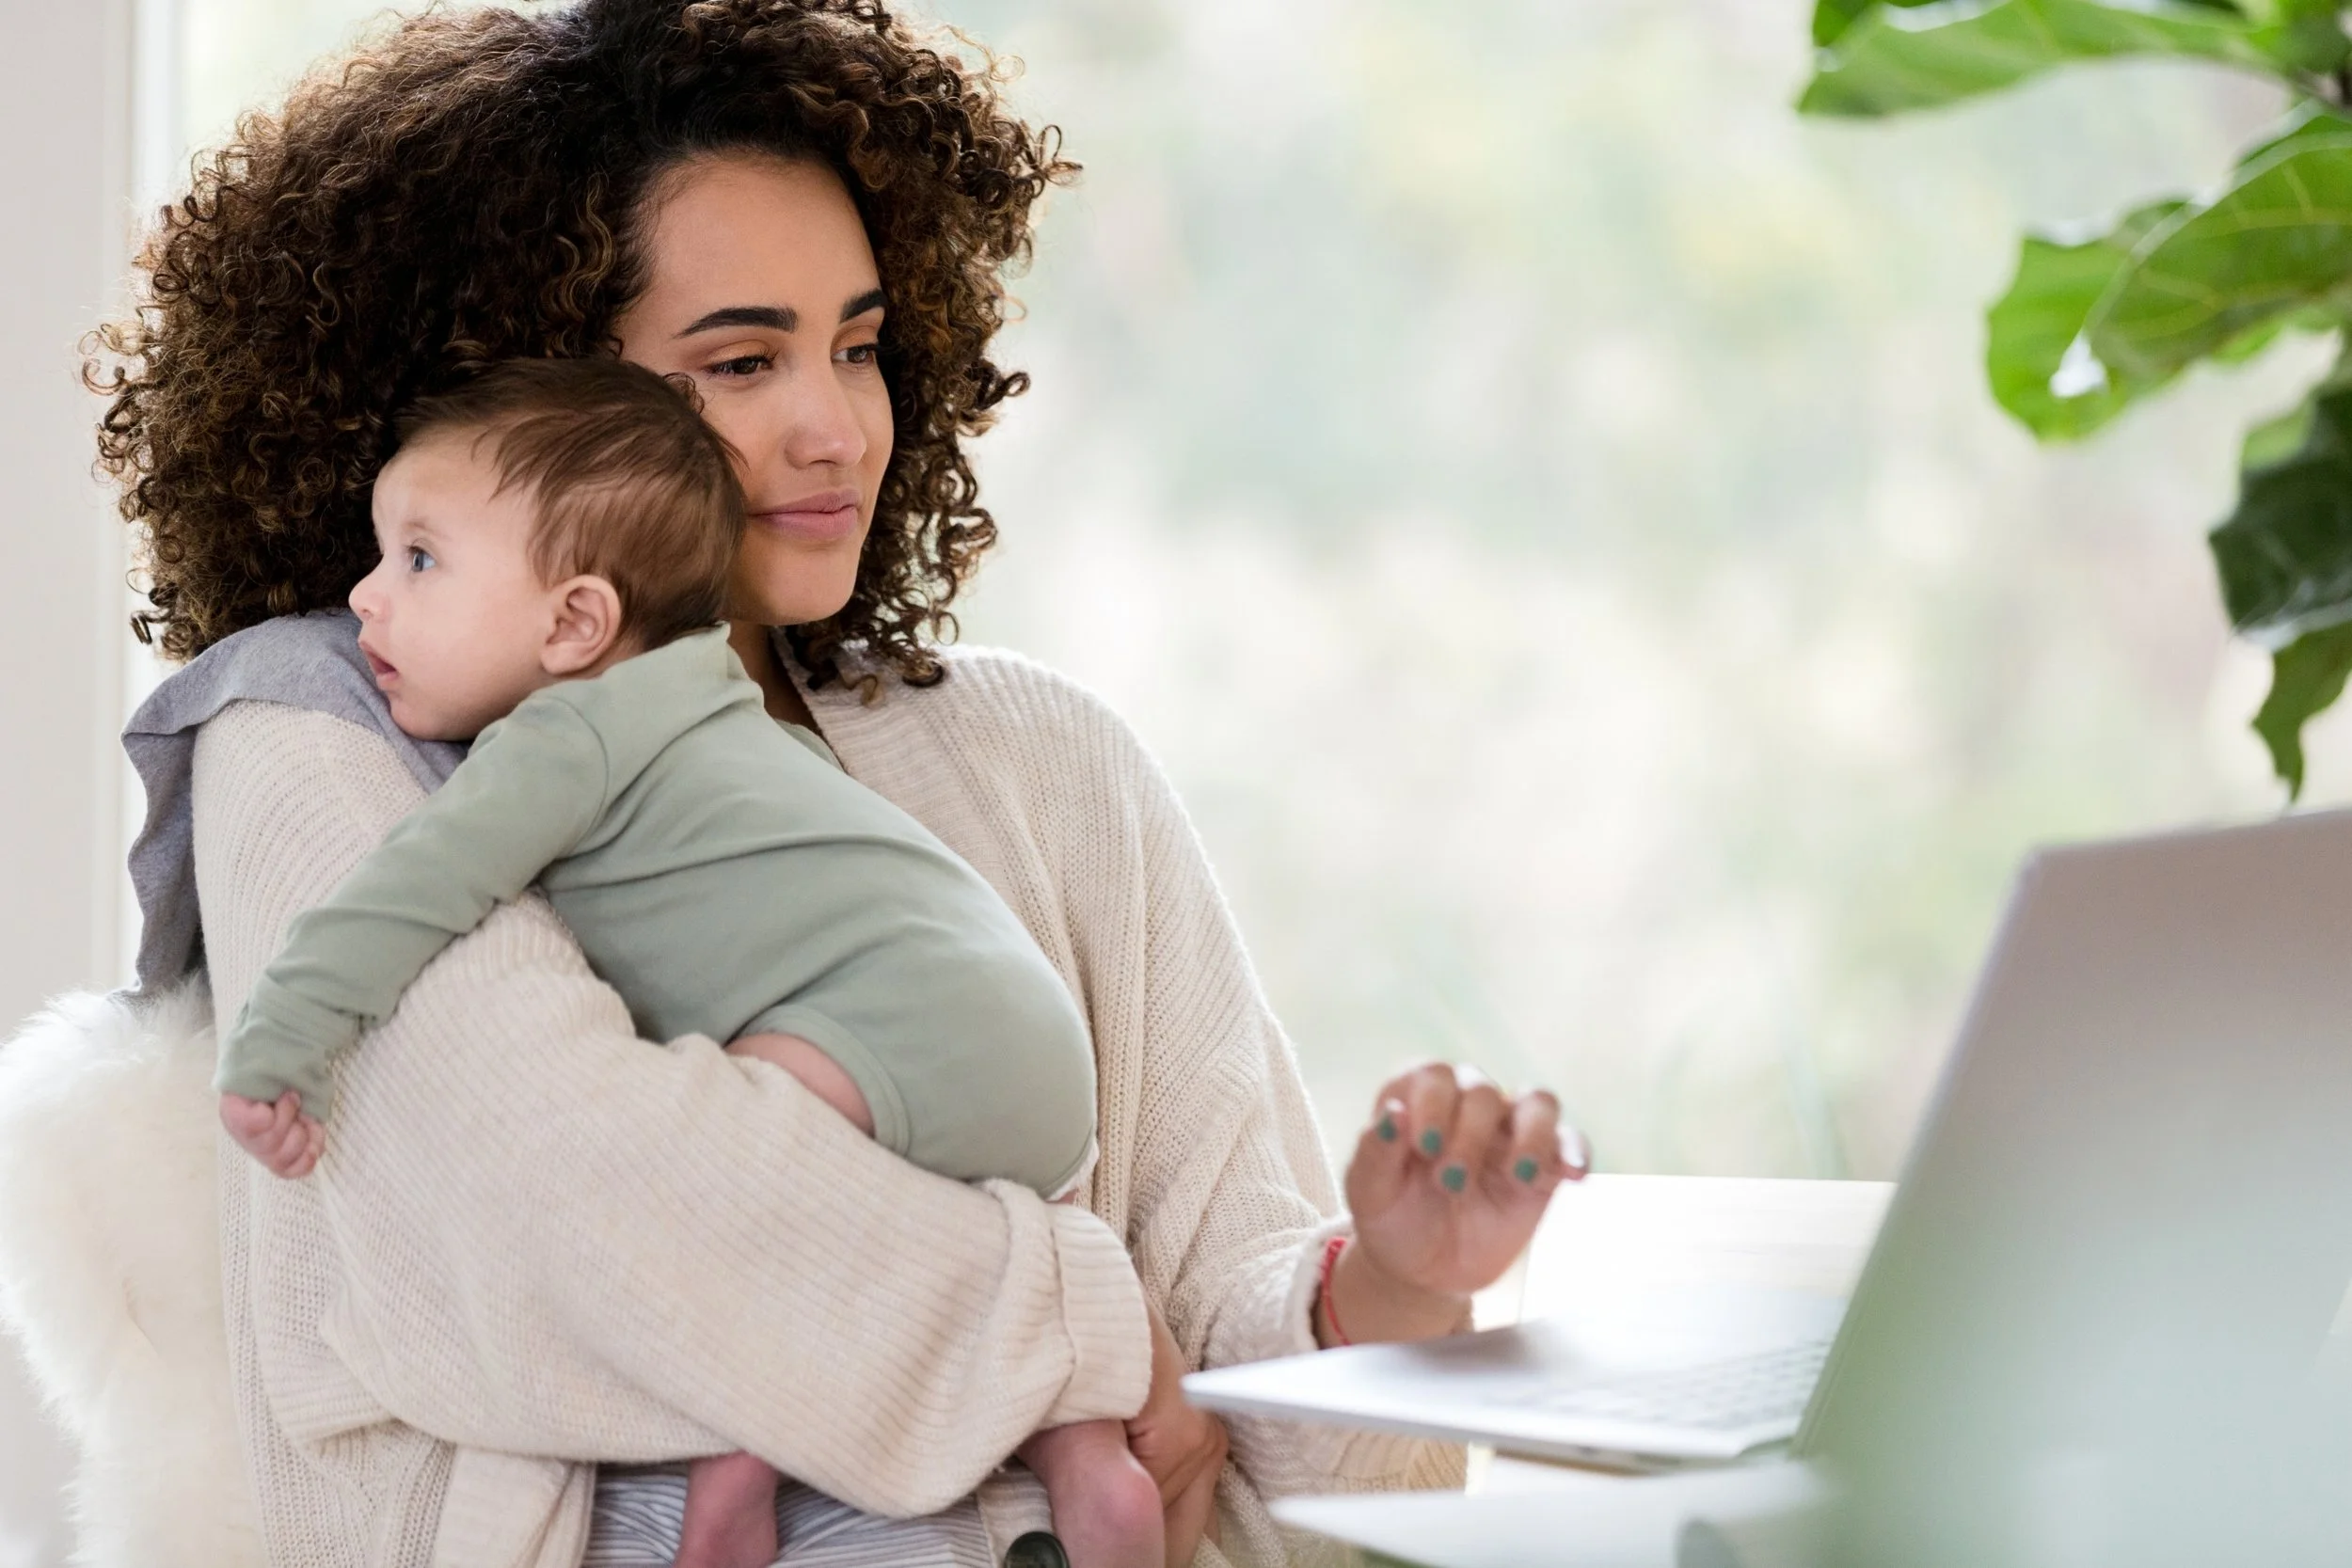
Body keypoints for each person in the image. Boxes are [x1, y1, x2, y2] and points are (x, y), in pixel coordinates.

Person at [94, 1, 1592, 1561]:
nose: (835, 425)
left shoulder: (1045, 760)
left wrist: (1399, 1292)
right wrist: (1089, 1312)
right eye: (742, 360)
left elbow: (1250, 1427)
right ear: (523, 414)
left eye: (860, 345)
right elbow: (595, 1222)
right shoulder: (314, 733)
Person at [215, 354, 1161, 1568]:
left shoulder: (564, 736)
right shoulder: (724, 710)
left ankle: (737, 1474)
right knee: (902, 1222)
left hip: (899, 1024)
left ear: (575, 622)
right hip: (1029, 1051)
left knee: (745, 1205)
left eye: (419, 559)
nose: (365, 600)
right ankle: (1091, 1464)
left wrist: (280, 1044)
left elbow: (406, 892)